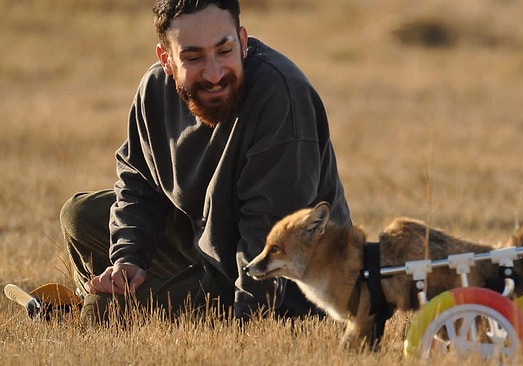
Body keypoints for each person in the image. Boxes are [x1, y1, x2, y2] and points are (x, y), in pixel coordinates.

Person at [59, 0, 351, 324]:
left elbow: (271, 240)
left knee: (101, 314)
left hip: (288, 285)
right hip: (210, 244)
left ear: (242, 41)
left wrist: (247, 327)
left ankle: (96, 307)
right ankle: (118, 294)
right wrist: (129, 259)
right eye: (193, 57)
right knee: (79, 216)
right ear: (166, 59)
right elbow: (138, 183)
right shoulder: (154, 92)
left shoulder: (280, 97)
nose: (214, 74)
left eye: (224, 51)